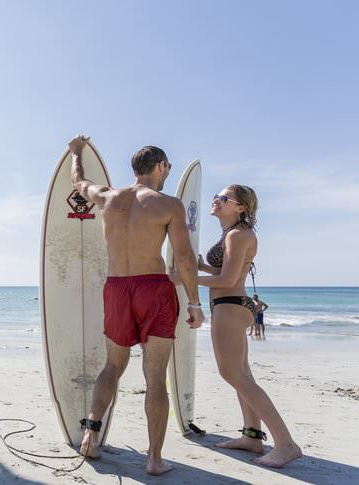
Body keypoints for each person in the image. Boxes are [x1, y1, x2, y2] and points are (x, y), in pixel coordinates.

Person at [70, 135, 203, 476]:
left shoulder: (108, 198)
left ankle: (91, 436)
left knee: (113, 366)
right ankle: (155, 459)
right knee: (156, 377)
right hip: (152, 289)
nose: (168, 173)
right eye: (168, 168)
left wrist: (76, 152)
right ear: (160, 167)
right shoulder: (168, 204)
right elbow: (186, 259)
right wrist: (194, 302)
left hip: (116, 288)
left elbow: (79, 181)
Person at [196, 185, 301, 468]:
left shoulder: (239, 235)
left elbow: (228, 280)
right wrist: (204, 269)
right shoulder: (233, 234)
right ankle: (252, 436)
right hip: (230, 304)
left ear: (241, 207)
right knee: (242, 374)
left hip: (230, 304)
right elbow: (226, 272)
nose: (216, 200)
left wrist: (184, 278)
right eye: (216, 196)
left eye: (224, 198)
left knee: (232, 373)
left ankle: (286, 444)